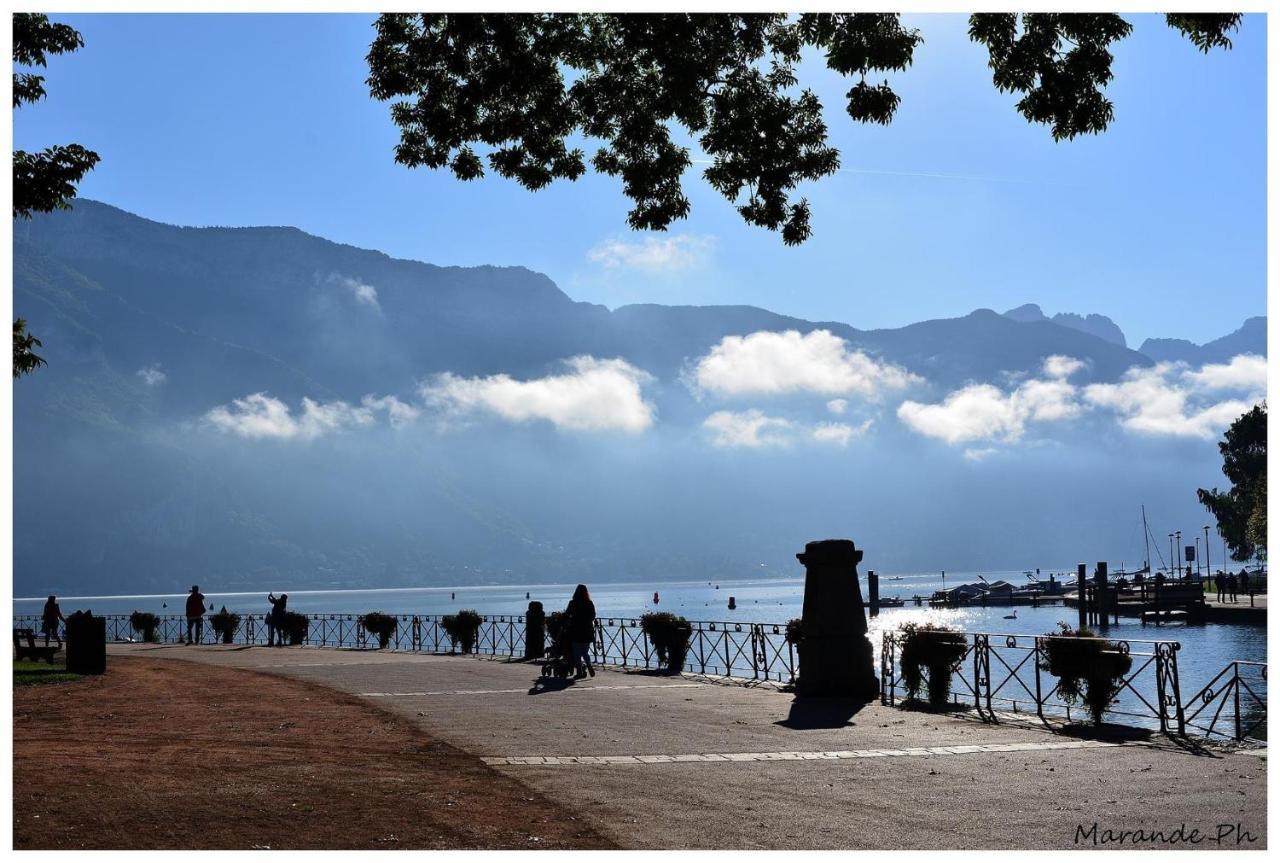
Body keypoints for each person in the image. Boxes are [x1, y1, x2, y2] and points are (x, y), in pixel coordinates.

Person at [564, 584, 596, 679]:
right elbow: (593, 616)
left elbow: (567, 614)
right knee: (585, 652)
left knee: (577, 652)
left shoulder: (573, 603)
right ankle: (589, 665)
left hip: (576, 630)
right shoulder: (589, 603)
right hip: (587, 630)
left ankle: (579, 672)